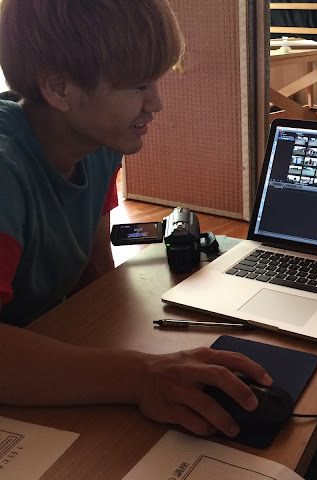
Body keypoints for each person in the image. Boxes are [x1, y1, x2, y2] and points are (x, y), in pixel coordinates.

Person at [0, 0, 272, 440]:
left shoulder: (98, 145)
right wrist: (141, 376)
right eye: (139, 85)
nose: (156, 103)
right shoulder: (6, 171)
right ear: (59, 88)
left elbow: (94, 270)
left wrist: (147, 358)